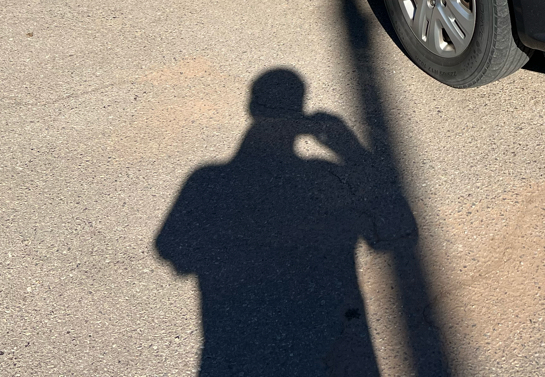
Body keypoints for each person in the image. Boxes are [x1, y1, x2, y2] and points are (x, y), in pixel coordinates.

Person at [156, 69, 415, 376]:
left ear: (252, 109)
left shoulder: (207, 182)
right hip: (333, 344)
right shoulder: (325, 177)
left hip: (238, 350)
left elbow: (172, 250)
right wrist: (350, 148)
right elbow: (398, 231)